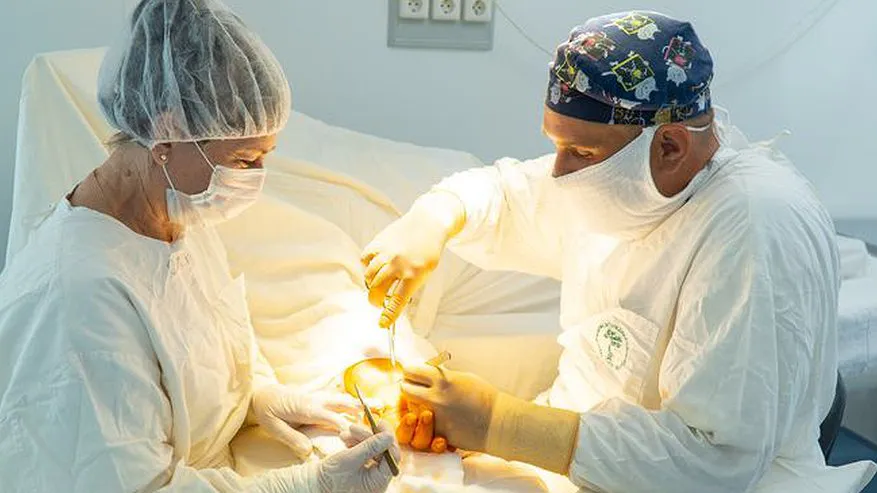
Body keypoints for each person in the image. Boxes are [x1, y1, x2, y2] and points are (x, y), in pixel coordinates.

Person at [362, 10, 877, 493]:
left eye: (580, 151)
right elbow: (507, 195)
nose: (558, 172)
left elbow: (716, 462)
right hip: (584, 456)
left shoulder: (752, 228)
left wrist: (503, 424)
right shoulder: (629, 183)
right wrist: (434, 218)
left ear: (670, 145)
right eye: (556, 146)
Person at [0, 1, 399, 492]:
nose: (255, 179)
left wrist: (256, 397)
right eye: (245, 160)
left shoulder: (175, 213)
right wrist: (308, 486)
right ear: (166, 134)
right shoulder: (81, 297)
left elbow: (195, 348)